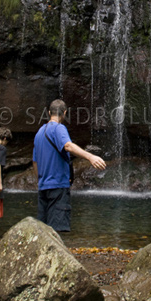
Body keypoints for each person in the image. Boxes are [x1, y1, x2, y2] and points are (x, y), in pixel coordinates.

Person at [33, 99, 106, 232]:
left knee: (43, 230)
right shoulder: (59, 128)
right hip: (58, 185)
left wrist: (40, 180)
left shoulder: (39, 133)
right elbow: (67, 145)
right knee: (56, 229)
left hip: (43, 186)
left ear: (49, 112)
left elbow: (35, 161)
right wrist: (90, 156)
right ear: (64, 113)